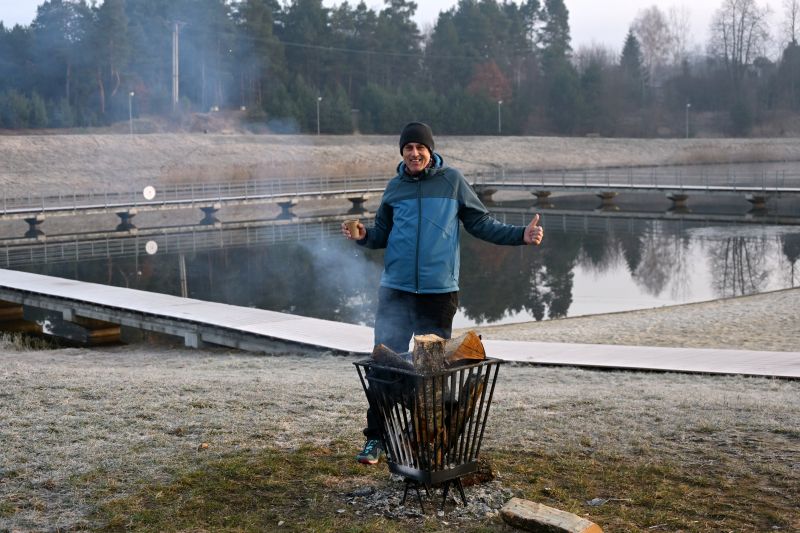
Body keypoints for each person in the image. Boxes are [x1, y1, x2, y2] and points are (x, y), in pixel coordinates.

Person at [342, 121, 544, 464]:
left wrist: (519, 236)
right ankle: (376, 438)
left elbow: (481, 223)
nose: (414, 153)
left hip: (438, 294)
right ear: (402, 153)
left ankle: (420, 436)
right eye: (408, 148)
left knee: (431, 374)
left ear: (430, 151)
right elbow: (382, 235)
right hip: (395, 291)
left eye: (420, 148)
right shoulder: (394, 188)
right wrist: (363, 236)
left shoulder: (452, 181)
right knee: (382, 366)